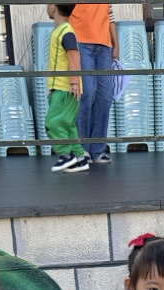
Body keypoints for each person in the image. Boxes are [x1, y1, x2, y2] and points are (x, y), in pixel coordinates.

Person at [70, 3, 118, 164]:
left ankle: (98, 149)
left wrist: (116, 44)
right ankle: (81, 149)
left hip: (105, 46)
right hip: (80, 42)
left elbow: (110, 16)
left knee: (105, 97)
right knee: (87, 93)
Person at [45, 4, 89, 173]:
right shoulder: (64, 30)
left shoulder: (65, 31)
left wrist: (74, 82)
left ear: (53, 7)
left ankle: (66, 155)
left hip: (65, 88)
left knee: (52, 123)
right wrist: (53, 87)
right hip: (63, 87)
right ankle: (80, 158)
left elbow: (73, 54)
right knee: (68, 125)